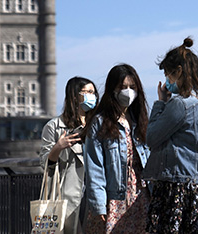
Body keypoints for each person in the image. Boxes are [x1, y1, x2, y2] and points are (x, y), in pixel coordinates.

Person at [144, 37, 198, 233]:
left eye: (167, 75)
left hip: (177, 189)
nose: (167, 81)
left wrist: (160, 103)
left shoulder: (180, 104)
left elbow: (152, 138)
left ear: (178, 71)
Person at [85, 63, 151, 233]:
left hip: (141, 194)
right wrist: (99, 204)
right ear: (112, 89)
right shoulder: (100, 123)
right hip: (114, 197)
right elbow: (95, 168)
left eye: (132, 87)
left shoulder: (139, 120)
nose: (128, 91)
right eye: (123, 87)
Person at [40, 76, 99, 234]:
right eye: (88, 92)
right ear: (75, 96)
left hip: (95, 193)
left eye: (93, 93)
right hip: (67, 197)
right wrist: (58, 147)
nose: (92, 96)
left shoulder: (98, 125)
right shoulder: (54, 127)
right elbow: (45, 165)